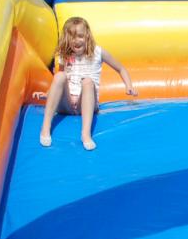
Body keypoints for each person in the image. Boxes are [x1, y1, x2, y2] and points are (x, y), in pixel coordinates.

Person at [36, 16, 136, 151]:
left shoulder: (98, 52)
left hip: (87, 104)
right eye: (72, 37)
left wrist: (129, 86)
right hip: (66, 105)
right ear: (66, 38)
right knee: (60, 75)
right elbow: (59, 79)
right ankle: (45, 127)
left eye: (80, 36)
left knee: (88, 81)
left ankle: (86, 134)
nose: (76, 40)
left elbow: (121, 68)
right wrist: (48, 94)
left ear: (87, 36)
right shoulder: (64, 54)